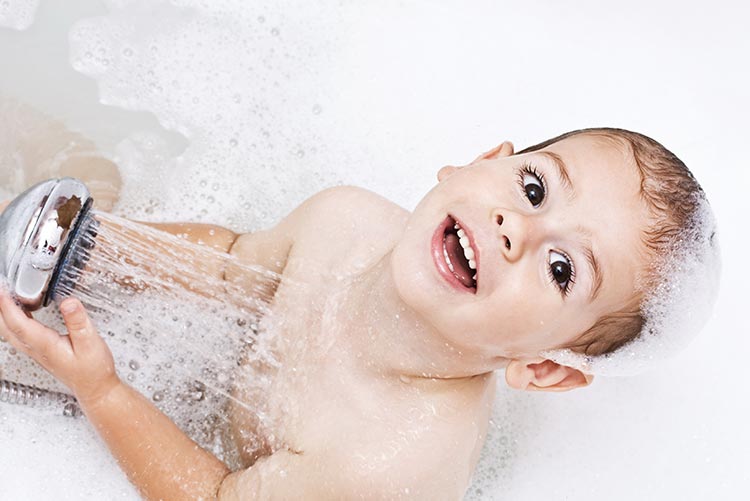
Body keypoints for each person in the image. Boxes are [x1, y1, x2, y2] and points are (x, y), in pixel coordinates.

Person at [0, 125, 717, 500]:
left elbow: (219, 495)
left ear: (545, 367)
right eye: (533, 187)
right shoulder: (347, 218)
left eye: (562, 269)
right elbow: (230, 266)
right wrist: (111, 248)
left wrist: (105, 393)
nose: (515, 229)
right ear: (478, 160)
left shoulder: (388, 461)